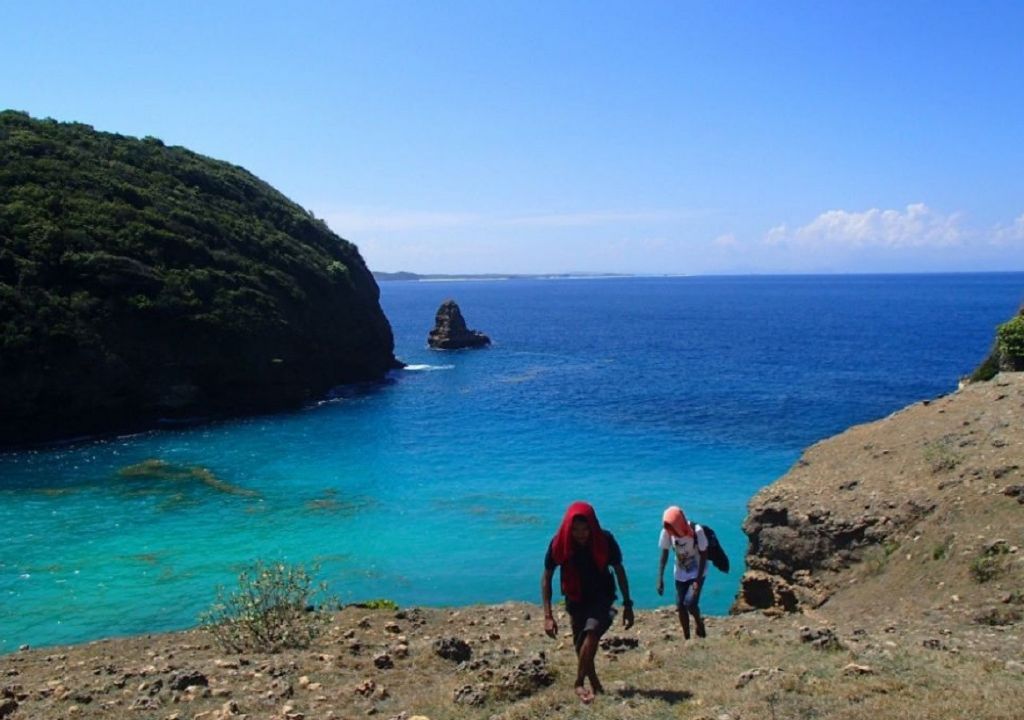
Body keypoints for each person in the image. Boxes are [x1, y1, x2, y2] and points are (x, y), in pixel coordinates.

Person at [541, 501, 634, 704]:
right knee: (581, 645)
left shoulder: (605, 540)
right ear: (568, 528)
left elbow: (619, 570)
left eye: (585, 529)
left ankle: (578, 682)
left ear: (593, 526)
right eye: (575, 529)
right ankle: (596, 685)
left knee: (592, 632)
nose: (581, 534)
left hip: (602, 597)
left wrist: (628, 604)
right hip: (575, 599)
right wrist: (548, 616)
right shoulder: (560, 544)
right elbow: (547, 576)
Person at [656, 505, 707, 640]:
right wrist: (660, 577)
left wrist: (697, 580)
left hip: (697, 571)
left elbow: (704, 555)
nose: (671, 531)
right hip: (680, 573)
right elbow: (665, 553)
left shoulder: (697, 531)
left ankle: (699, 623)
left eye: (673, 526)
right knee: (680, 605)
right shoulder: (667, 532)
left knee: (690, 603)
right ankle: (687, 637)